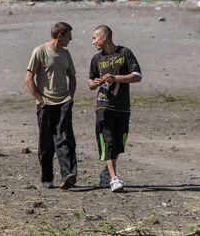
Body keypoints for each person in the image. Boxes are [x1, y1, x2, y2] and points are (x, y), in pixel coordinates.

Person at [88, 25, 142, 192]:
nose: (93, 42)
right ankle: (114, 179)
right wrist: (94, 83)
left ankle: (106, 171)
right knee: (108, 141)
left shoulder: (125, 53)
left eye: (95, 38)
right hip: (103, 106)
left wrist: (115, 78)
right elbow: (90, 82)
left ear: (104, 37)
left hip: (122, 107)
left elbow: (137, 76)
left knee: (118, 144)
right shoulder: (96, 59)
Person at [25, 22, 78, 190]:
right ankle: (47, 178)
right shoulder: (40, 51)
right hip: (46, 104)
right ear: (60, 35)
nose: (71, 39)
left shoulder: (66, 53)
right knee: (46, 143)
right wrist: (40, 100)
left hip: (63, 102)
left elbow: (72, 76)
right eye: (69, 35)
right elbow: (28, 79)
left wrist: (70, 97)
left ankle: (68, 174)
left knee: (65, 139)